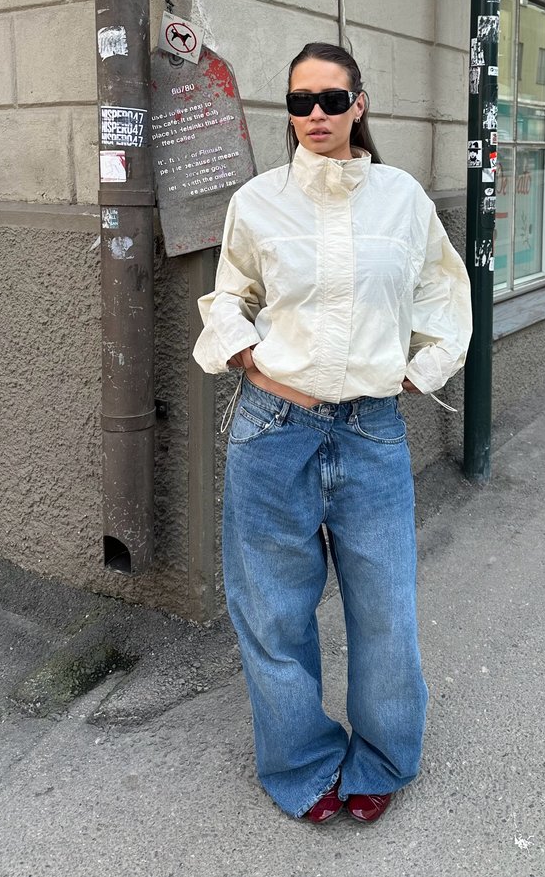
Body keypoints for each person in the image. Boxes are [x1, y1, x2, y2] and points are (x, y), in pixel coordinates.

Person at [193, 42, 472, 825]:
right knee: (273, 611)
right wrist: (246, 353)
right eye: (300, 101)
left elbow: (445, 294)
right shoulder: (257, 202)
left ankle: (382, 756)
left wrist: (418, 370)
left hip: (370, 432)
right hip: (272, 428)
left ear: (359, 104)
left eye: (331, 98)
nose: (315, 114)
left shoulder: (402, 199)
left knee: (385, 609)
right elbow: (229, 294)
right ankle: (302, 761)